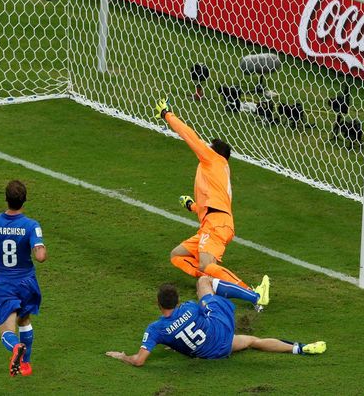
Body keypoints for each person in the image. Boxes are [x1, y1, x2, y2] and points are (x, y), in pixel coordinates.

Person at [106, 276, 326, 366]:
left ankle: (298, 347)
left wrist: (123, 356)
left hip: (213, 351)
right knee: (204, 281)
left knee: (250, 341)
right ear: (178, 300)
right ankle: (300, 347)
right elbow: (197, 314)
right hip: (219, 329)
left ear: (158, 304)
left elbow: (139, 360)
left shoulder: (156, 330)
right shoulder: (190, 307)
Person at [154, 98, 255, 290]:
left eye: (209, 145)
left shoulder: (213, 159)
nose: (205, 147)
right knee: (177, 255)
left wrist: (167, 115)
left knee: (207, 265)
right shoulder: (217, 169)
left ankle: (251, 292)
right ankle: (213, 282)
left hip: (216, 224)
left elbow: (189, 136)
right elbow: (211, 203)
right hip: (213, 221)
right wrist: (192, 206)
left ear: (216, 152)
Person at [0, 180, 47, 377]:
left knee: (7, 331)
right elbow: (40, 256)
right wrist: (39, 249)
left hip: (2, 284)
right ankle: (26, 365)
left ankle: (16, 349)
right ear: (25, 200)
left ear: (6, 199)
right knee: (24, 320)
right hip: (27, 282)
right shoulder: (31, 225)